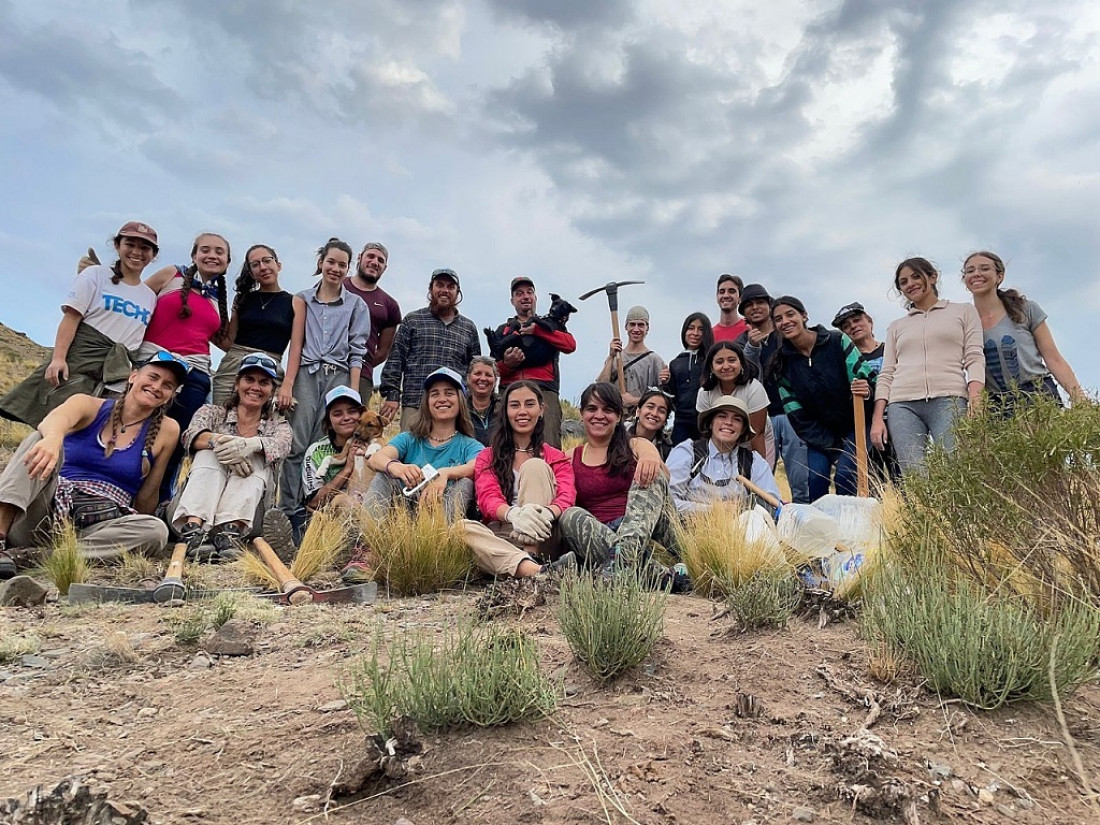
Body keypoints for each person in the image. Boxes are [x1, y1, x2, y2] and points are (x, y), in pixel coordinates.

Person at [0, 353, 186, 576]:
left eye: (167, 385)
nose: (157, 387)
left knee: (155, 531)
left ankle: (39, 556)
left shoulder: (168, 429)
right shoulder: (88, 405)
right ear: (133, 376)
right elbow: (54, 419)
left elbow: (148, 494)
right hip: (43, 513)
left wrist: (135, 523)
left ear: (169, 397)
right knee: (38, 440)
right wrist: (53, 438)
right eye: (153, 377)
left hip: (95, 529)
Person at [1, 221, 159, 429]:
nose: (137, 252)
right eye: (130, 244)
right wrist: (58, 359)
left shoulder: (149, 297)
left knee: (98, 430)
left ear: (153, 255)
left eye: (144, 248)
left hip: (116, 374)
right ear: (117, 246)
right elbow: (71, 318)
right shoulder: (95, 275)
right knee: (55, 425)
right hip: (80, 363)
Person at [277, 238, 371, 528]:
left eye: (342, 264)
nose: (335, 268)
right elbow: (297, 343)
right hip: (307, 372)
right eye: (331, 262)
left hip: (339, 375)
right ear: (321, 263)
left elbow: (358, 351)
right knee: (297, 442)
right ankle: (288, 508)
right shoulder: (303, 298)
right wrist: (288, 383)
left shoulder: (356, 305)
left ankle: (319, 510)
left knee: (328, 442)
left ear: (348, 269)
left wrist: (353, 394)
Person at [139, 232, 233, 502]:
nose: (212, 255)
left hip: (195, 373)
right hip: (154, 363)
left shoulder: (220, 299)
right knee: (138, 429)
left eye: (219, 252)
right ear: (194, 255)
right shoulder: (170, 275)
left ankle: (159, 499)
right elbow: (135, 298)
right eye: (205, 250)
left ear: (227, 262)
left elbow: (224, 341)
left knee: (177, 441)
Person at [171, 354, 292, 561]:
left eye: (264, 383)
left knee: (257, 456)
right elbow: (190, 436)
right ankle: (193, 528)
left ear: (271, 391)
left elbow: (281, 446)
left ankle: (231, 531)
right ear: (237, 384)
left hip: (251, 516)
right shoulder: (212, 412)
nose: (255, 387)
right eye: (249, 380)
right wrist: (220, 442)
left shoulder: (278, 425)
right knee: (209, 453)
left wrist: (250, 445)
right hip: (194, 504)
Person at [558, 383, 681, 584]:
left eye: (607, 409)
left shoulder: (635, 444)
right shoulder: (570, 457)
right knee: (569, 516)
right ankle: (662, 577)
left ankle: (624, 561)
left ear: (618, 416)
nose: (599, 415)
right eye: (592, 409)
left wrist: (650, 458)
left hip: (643, 528)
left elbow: (658, 469)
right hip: (602, 537)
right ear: (581, 414)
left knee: (651, 473)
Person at [871, 258, 984, 474]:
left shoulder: (963, 311)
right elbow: (886, 373)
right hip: (902, 404)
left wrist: (976, 400)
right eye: (903, 282)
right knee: (914, 475)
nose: (910, 284)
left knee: (957, 468)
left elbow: (974, 357)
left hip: (949, 398)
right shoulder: (897, 327)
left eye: (915, 276)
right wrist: (878, 419)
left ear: (933, 277)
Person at [462, 380, 577, 578]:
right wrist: (514, 515)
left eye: (529, 404)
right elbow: (487, 497)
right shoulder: (488, 456)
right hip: (506, 533)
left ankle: (530, 558)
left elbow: (567, 496)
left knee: (534, 466)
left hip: (545, 534)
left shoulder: (556, 457)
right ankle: (538, 572)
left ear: (541, 410)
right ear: (505, 411)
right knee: (461, 529)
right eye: (515, 405)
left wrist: (546, 514)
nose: (522, 411)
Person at [766, 296, 875, 500]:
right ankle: (820, 530)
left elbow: (867, 379)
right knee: (815, 480)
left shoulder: (837, 341)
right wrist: (831, 444)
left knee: (845, 476)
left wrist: (866, 391)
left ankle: (850, 529)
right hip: (819, 435)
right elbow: (797, 415)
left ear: (804, 315)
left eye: (790, 314)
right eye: (779, 319)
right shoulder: (781, 364)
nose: (786, 321)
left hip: (856, 425)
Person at [961, 250, 1085, 413]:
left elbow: (1053, 358)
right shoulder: (963, 322)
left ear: (1000, 276)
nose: (976, 274)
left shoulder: (1025, 309)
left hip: (1037, 393)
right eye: (970, 271)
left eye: (984, 269)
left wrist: (1079, 398)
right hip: (997, 404)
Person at [363, 367, 483, 521]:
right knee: (383, 476)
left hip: (444, 512)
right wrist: (395, 466)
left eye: (449, 393)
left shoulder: (470, 445)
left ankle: (445, 541)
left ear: (460, 401)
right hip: (406, 509)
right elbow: (375, 459)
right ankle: (368, 539)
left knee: (465, 484)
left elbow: (477, 466)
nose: (442, 399)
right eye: (434, 394)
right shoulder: (409, 438)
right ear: (427, 402)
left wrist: (445, 473)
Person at [379, 268, 481, 431]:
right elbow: (396, 360)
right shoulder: (412, 320)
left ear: (457, 293)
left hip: (453, 407)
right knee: (410, 454)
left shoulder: (468, 328)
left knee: (452, 455)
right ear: (431, 289)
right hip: (416, 403)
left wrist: (471, 402)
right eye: (440, 285)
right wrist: (392, 396)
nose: (445, 291)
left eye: (450, 287)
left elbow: (474, 369)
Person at [491, 277, 576, 448]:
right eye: (519, 293)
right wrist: (508, 365)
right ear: (512, 301)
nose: (525, 296)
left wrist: (539, 331)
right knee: (502, 447)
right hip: (509, 391)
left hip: (544, 392)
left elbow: (570, 345)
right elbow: (493, 370)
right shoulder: (503, 330)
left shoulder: (549, 325)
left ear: (535, 298)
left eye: (529, 292)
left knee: (548, 447)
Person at [210, 244, 297, 405]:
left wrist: (288, 383)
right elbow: (228, 341)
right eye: (255, 264)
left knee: (261, 425)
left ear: (278, 265)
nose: (262, 267)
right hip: (233, 365)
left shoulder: (295, 302)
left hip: (269, 366)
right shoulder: (242, 299)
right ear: (251, 272)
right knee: (219, 416)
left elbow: (296, 348)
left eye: (267, 261)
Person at [668, 395, 781, 514]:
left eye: (737, 419)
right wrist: (714, 510)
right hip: (686, 529)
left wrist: (743, 510)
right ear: (710, 423)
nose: (728, 422)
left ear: (743, 429)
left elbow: (772, 506)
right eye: (722, 416)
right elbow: (668, 502)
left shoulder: (754, 461)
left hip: (739, 529)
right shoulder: (688, 451)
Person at [832, 302, 899, 483]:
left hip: (898, 418)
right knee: (872, 481)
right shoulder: (847, 362)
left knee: (904, 478)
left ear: (869, 321)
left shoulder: (892, 349)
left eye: (857, 320)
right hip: (866, 425)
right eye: (846, 326)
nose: (853, 326)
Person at [695, 341, 772, 466]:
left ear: (741, 363)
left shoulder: (754, 388)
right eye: (719, 362)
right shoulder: (705, 393)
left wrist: (759, 469)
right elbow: (707, 431)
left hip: (755, 441)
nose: (726, 366)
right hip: (721, 440)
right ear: (711, 367)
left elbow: (757, 434)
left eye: (731, 360)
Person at [343, 242, 402, 403]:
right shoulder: (337, 285)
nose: (375, 262)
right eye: (370, 256)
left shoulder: (389, 305)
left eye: (380, 260)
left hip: (362, 376)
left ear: (385, 268)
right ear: (360, 258)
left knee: (353, 424)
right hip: (325, 367)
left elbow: (383, 351)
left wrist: (364, 364)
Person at [596, 306, 667, 412]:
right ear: (626, 327)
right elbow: (600, 387)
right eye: (632, 324)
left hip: (641, 420)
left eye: (641, 325)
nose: (636, 329)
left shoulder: (654, 361)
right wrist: (611, 357)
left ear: (647, 328)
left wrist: (634, 401)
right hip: (615, 418)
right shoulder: (616, 357)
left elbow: (662, 398)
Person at [660, 312, 714, 444]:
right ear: (684, 331)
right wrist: (665, 383)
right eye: (691, 328)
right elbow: (672, 397)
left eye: (700, 329)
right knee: (679, 458)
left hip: (707, 420)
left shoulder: (711, 358)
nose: (695, 333)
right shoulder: (675, 363)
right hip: (681, 421)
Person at [627, 388, 674, 460]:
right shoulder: (618, 435)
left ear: (665, 420)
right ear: (638, 411)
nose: (654, 413)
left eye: (661, 411)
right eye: (650, 407)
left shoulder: (667, 451)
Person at [466, 355, 500, 445]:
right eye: (478, 374)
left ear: (495, 381)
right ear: (468, 378)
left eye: (488, 375)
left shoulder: (505, 408)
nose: (483, 378)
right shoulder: (458, 409)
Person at [713, 273, 748, 342]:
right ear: (717, 297)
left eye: (731, 291)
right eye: (722, 292)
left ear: (740, 298)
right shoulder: (709, 335)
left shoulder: (749, 329)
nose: (726, 295)